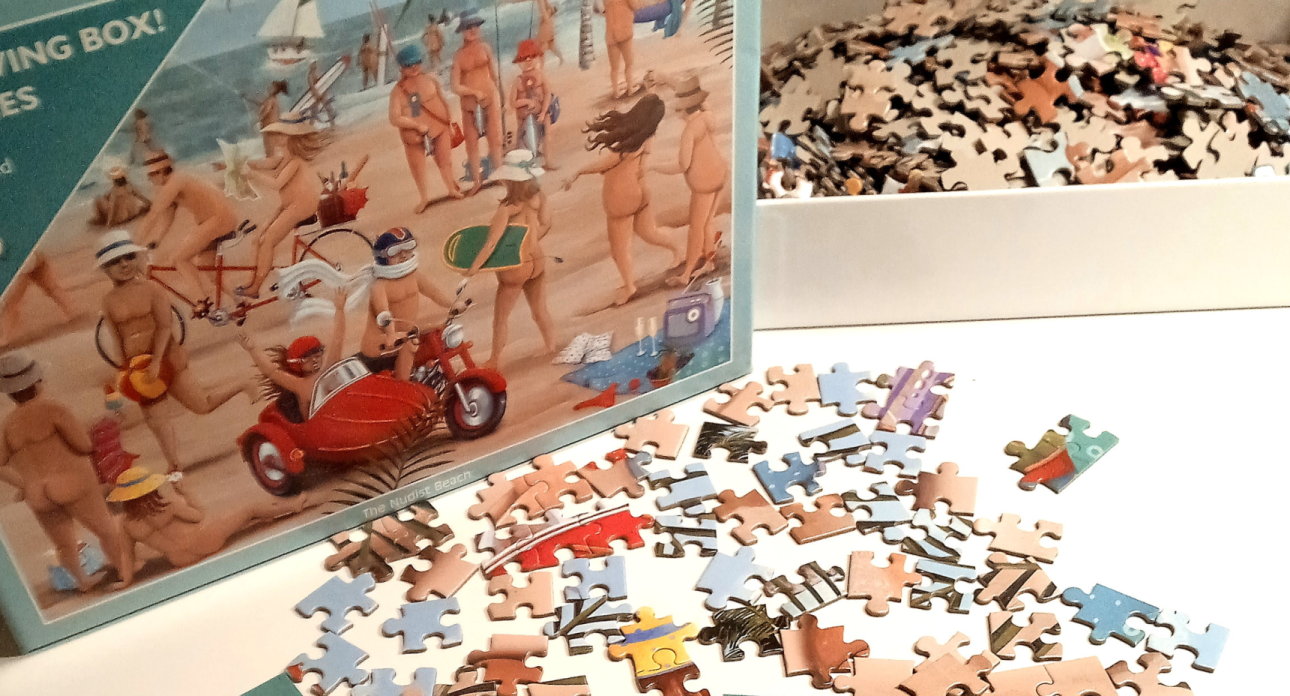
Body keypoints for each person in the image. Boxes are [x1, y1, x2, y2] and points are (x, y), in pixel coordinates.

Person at [96, 230, 250, 478]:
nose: (124, 265)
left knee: (201, 405)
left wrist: (157, 361)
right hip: (138, 367)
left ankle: (242, 384)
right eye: (115, 262)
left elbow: (165, 327)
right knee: (156, 419)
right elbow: (117, 339)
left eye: (129, 257)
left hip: (167, 357)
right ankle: (174, 463)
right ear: (105, 269)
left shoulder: (152, 289)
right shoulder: (108, 301)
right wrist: (123, 371)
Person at [0, 351, 131, 592]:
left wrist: (22, 484)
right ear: (37, 382)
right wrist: (99, 426)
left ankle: (82, 582)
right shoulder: (53, 409)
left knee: (64, 544)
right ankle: (124, 570)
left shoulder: (8, 424)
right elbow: (83, 445)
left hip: (37, 492)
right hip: (71, 481)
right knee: (105, 529)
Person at [562, 93, 682, 306]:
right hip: (640, 192)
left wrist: (578, 172)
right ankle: (678, 251)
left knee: (619, 249)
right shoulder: (647, 138)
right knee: (650, 232)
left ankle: (629, 286)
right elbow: (642, 167)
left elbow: (605, 164)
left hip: (621, 198)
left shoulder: (627, 144)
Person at [109, 464, 308, 582]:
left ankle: (267, 516)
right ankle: (293, 506)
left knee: (239, 521)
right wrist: (186, 492)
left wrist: (126, 580)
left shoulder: (127, 524)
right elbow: (198, 516)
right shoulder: (167, 505)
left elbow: (127, 554)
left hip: (180, 559)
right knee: (250, 510)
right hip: (204, 541)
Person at [464, 150, 558, 369]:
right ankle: (550, 345)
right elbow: (546, 224)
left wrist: (473, 268)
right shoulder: (539, 197)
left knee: (501, 318)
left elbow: (491, 243)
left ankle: (494, 359)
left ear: (509, 180)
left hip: (516, 266)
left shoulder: (506, 208)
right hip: (537, 260)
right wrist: (530, 241)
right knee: (539, 310)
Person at [137, 151, 243, 317]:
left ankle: (202, 301)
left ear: (160, 172)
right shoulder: (172, 184)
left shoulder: (175, 182)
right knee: (209, 269)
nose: (149, 179)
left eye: (150, 175)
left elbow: (154, 214)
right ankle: (240, 301)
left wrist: (133, 243)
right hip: (213, 221)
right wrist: (157, 239)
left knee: (178, 259)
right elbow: (167, 216)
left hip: (217, 220)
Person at [238, 112, 325, 300]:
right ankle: (252, 281)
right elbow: (268, 164)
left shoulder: (295, 161)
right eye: (277, 133)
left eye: (282, 134)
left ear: (291, 137)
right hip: (289, 204)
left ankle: (256, 287)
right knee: (258, 238)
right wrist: (241, 164)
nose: (277, 137)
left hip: (301, 205)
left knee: (268, 240)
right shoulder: (285, 157)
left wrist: (250, 174)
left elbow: (277, 183)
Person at [653, 76, 725, 287]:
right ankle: (709, 261)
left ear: (682, 109)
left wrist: (654, 167)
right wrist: (667, 79)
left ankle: (687, 273)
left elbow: (682, 166)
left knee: (696, 227)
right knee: (707, 222)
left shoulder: (689, 131)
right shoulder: (707, 116)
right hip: (720, 174)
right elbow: (691, 92)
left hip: (704, 183)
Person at [358, 228, 456, 374]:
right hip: (380, 341)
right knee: (409, 345)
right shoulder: (380, 286)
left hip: (405, 333)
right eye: (395, 252)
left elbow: (434, 293)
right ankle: (404, 384)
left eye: (407, 248)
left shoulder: (414, 276)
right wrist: (391, 334)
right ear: (383, 257)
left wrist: (453, 305)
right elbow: (383, 313)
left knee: (437, 331)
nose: (403, 255)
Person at [236, 288, 347, 416]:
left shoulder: (329, 368)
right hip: (319, 424)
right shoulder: (299, 385)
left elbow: (337, 339)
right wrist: (252, 350)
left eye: (317, 355)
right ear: (297, 363)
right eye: (307, 359)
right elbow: (271, 371)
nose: (314, 360)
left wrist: (339, 309)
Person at [390, 44, 464, 213]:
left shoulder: (431, 79)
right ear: (402, 68)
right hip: (414, 134)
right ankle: (424, 197)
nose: (414, 67)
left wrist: (450, 122)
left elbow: (443, 101)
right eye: (409, 65)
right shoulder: (398, 91)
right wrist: (415, 125)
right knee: (418, 167)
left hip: (439, 126)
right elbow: (394, 118)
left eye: (417, 62)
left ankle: (451, 188)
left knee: (445, 160)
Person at [452, 12, 505, 192]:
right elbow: (455, 86)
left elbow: (495, 76)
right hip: (469, 105)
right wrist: (473, 92)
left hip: (490, 98)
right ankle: (477, 181)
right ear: (462, 31)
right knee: (472, 143)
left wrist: (502, 97)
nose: (472, 30)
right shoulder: (458, 56)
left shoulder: (485, 48)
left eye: (475, 26)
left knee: (495, 140)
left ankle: (500, 175)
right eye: (468, 27)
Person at [0, 252, 76, 345]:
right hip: (33, 258)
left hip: (22, 266)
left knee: (10, 306)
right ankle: (74, 314)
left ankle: (4, 338)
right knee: (52, 289)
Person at [510, 39, 558, 168]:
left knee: (548, 135)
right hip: (523, 117)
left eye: (532, 57)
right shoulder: (518, 81)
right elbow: (512, 102)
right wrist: (526, 101)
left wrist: (543, 112)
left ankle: (548, 162)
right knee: (522, 139)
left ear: (537, 58)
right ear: (519, 62)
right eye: (524, 58)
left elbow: (548, 94)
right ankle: (524, 163)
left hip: (541, 113)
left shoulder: (541, 75)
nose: (528, 61)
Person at [597, 0, 644, 98]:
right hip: (624, 30)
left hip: (611, 34)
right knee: (629, 63)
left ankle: (616, 92)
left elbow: (601, 11)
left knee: (614, 68)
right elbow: (635, 5)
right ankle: (630, 88)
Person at [246, 80, 290, 154]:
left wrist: (257, 120)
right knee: (269, 144)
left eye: (271, 87)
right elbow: (261, 103)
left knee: (269, 145)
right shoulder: (271, 99)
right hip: (270, 125)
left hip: (270, 125)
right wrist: (249, 99)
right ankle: (271, 155)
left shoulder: (271, 100)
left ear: (275, 90)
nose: (268, 88)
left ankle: (271, 156)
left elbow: (266, 110)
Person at [307, 60, 338, 127]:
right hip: (316, 96)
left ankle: (333, 125)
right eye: (313, 64)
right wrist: (318, 95)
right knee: (314, 112)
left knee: (328, 109)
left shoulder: (317, 73)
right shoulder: (310, 76)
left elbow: (322, 83)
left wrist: (324, 92)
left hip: (321, 94)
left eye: (315, 63)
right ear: (310, 66)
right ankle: (310, 127)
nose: (314, 65)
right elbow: (312, 87)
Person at [535, 0, 565, 65]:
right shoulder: (550, 14)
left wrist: (539, 1)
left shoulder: (547, 15)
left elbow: (543, 8)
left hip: (546, 32)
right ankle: (561, 58)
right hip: (549, 30)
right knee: (551, 47)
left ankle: (541, 65)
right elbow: (545, 6)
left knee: (542, 49)